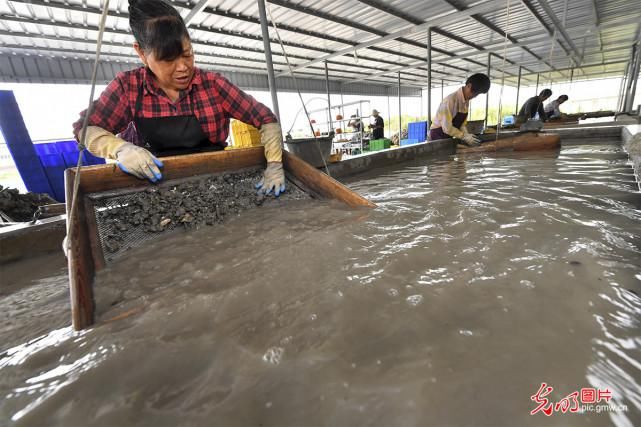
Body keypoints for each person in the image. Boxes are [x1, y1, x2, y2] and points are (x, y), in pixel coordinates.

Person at [72, 0, 285, 196]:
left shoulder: (213, 85)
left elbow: (266, 119)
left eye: (187, 54)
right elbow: (85, 129)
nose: (183, 68)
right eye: (168, 59)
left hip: (216, 185)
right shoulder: (129, 88)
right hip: (156, 189)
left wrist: (274, 165)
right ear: (141, 53)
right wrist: (120, 149)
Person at [429, 73, 490, 146]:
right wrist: (464, 136)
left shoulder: (466, 102)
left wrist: (467, 135)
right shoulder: (449, 101)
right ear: (469, 86)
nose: (474, 96)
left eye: (477, 94)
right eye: (474, 93)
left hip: (448, 135)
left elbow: (462, 124)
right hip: (437, 135)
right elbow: (447, 128)